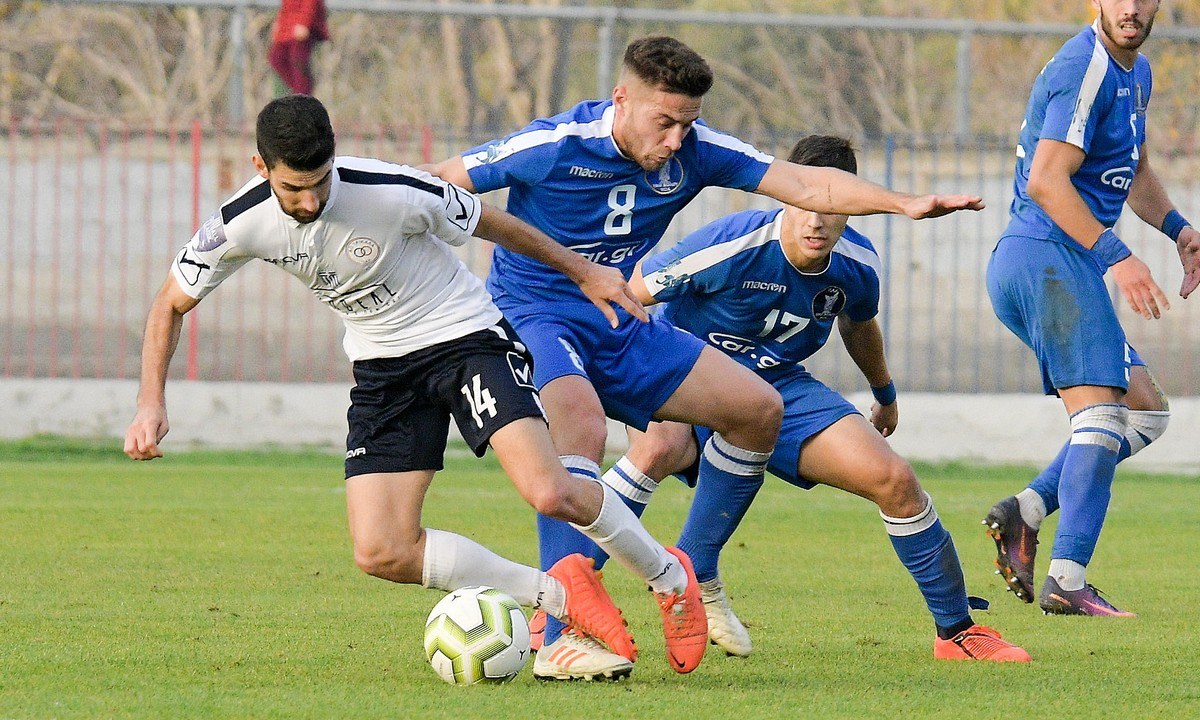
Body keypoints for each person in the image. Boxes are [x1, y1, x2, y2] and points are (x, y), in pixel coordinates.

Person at [427, 35, 985, 679]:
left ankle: (692, 567)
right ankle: (557, 632)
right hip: (534, 312)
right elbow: (437, 184)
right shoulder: (555, 143)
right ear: (622, 100)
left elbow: (805, 182)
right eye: (663, 121)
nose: (674, 140)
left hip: (617, 317)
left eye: (686, 122)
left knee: (756, 408)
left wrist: (903, 203)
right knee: (581, 426)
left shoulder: (699, 150)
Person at [122, 94, 716, 682]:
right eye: (292, 190)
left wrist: (585, 272)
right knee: (382, 550)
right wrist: (151, 402)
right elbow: (170, 303)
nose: (309, 202)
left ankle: (669, 578)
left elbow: (499, 223)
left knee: (550, 491)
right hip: (382, 369)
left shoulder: (391, 189)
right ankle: (556, 597)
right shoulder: (239, 223)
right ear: (261, 169)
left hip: (464, 338)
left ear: (334, 160)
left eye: (319, 184)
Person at [577, 135, 1030, 663]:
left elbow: (859, 326)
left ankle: (957, 634)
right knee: (658, 450)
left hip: (780, 385)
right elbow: (630, 296)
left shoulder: (858, 263)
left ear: (851, 207)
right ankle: (566, 606)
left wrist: (884, 393)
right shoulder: (732, 245)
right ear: (783, 197)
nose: (816, 220)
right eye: (805, 204)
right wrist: (621, 381)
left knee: (895, 481)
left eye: (831, 208)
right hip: (687, 375)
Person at [983, 0, 1200, 617]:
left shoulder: (1138, 72)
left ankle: (1023, 512)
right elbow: (1046, 181)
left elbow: (1134, 172)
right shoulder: (1087, 68)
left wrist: (1179, 228)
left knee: (1145, 412)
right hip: (1046, 257)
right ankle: (1067, 581)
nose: (1130, 8)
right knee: (1101, 415)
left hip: (1059, 261)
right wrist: (1116, 257)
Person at [268, 0, 329, 95]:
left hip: (303, 24)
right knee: (276, 58)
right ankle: (301, 94)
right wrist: (280, 23)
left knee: (298, 62)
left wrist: (305, 22)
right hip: (288, 22)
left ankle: (303, 96)